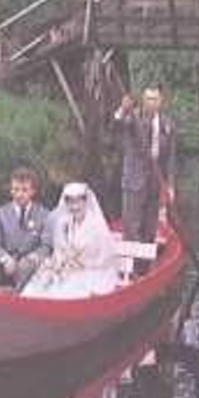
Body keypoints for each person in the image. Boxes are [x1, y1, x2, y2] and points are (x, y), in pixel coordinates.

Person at [20, 182, 118, 299]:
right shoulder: (64, 223)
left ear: (85, 202)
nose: (74, 206)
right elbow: (60, 251)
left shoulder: (96, 225)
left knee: (66, 287)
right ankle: (32, 305)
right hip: (69, 269)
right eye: (70, 202)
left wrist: (76, 265)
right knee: (42, 279)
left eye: (78, 202)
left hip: (93, 271)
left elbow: (104, 258)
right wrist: (57, 265)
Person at [112, 86, 178, 257]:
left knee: (150, 227)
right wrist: (123, 109)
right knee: (132, 228)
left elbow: (170, 158)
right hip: (134, 180)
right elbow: (118, 124)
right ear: (143, 100)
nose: (151, 103)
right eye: (148, 99)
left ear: (161, 101)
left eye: (155, 99)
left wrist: (170, 185)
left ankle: (146, 266)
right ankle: (130, 269)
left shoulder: (168, 124)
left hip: (155, 181)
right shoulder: (133, 119)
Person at [0, 166, 52, 293]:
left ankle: (16, 297)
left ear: (32, 191)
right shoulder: (0, 213)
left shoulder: (44, 214)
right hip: (4, 265)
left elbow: (46, 246)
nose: (19, 194)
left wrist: (32, 257)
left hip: (28, 267)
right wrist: (5, 258)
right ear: (11, 191)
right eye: (15, 190)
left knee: (26, 266)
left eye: (24, 190)